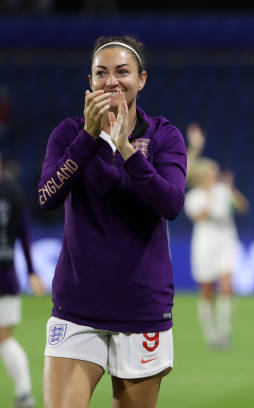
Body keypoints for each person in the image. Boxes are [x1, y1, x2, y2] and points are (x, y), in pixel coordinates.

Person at [37, 35, 186, 408]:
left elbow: (170, 202)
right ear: (90, 81)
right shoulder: (69, 134)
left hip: (141, 305)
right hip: (77, 304)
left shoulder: (163, 135)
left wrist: (125, 148)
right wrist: (89, 138)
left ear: (142, 79)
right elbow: (46, 197)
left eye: (122, 72)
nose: (111, 81)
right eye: (101, 73)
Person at [184, 154, 248, 349]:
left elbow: (242, 207)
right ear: (202, 176)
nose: (214, 176)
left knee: (227, 286)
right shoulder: (193, 197)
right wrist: (211, 193)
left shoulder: (223, 190)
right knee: (207, 291)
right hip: (204, 246)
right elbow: (201, 216)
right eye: (210, 173)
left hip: (226, 243)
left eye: (215, 173)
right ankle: (211, 334)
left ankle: (225, 331)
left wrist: (231, 189)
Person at [0, 156, 45, 408]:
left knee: (4, 338)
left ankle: (25, 393)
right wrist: (30, 271)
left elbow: (25, 235)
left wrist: (31, 271)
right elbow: (25, 235)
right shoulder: (14, 192)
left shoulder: (14, 194)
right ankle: (25, 393)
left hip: (4, 276)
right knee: (5, 338)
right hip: (6, 276)